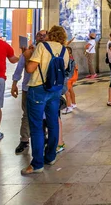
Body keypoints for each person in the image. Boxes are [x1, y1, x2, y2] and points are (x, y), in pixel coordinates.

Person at [20, 25, 70, 175]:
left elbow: (30, 69)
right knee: (53, 122)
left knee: (36, 127)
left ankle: (37, 164)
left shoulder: (42, 46)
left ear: (51, 34)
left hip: (38, 89)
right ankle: (50, 157)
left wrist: (27, 55)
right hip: (55, 90)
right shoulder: (64, 50)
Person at [12, 29, 47, 154]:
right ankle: (24, 139)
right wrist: (14, 83)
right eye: (39, 35)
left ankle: (44, 136)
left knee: (44, 114)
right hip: (28, 87)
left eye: (44, 35)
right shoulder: (29, 51)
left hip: (43, 88)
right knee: (26, 114)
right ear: (36, 37)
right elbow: (20, 67)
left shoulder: (48, 51)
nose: (41, 37)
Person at [63, 47, 78, 113]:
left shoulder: (68, 58)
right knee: (71, 90)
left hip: (68, 77)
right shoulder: (71, 57)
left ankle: (69, 106)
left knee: (67, 92)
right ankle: (73, 104)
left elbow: (68, 69)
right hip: (73, 76)